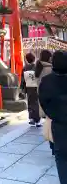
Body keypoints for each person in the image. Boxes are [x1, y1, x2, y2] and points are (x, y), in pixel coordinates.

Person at [39, 50, 67, 183]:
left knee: (61, 158)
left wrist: (53, 114)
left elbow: (43, 102)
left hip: (59, 125)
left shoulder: (47, 81)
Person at [22, 53, 40, 126]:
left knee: (30, 102)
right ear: (34, 59)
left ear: (27, 59)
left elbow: (23, 80)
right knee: (36, 103)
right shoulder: (37, 67)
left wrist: (22, 88)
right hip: (36, 87)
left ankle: (31, 118)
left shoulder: (24, 68)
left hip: (28, 87)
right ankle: (37, 120)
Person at [36, 49, 53, 118]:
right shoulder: (51, 68)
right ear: (49, 58)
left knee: (46, 117)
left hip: (40, 93)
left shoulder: (38, 67)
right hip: (50, 94)